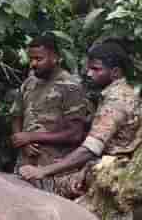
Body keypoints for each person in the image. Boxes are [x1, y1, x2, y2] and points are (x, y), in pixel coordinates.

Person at [20, 39, 142, 220]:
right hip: (105, 176)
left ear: (115, 72)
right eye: (89, 68)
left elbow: (91, 147)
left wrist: (45, 171)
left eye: (96, 69)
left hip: (116, 182)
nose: (89, 73)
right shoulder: (113, 95)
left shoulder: (117, 100)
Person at [10, 34, 90, 193]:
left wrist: (31, 137)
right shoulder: (29, 82)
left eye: (39, 59)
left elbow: (76, 134)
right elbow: (16, 115)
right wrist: (22, 140)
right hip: (24, 167)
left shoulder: (71, 86)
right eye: (31, 58)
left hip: (53, 172)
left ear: (55, 57)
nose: (33, 64)